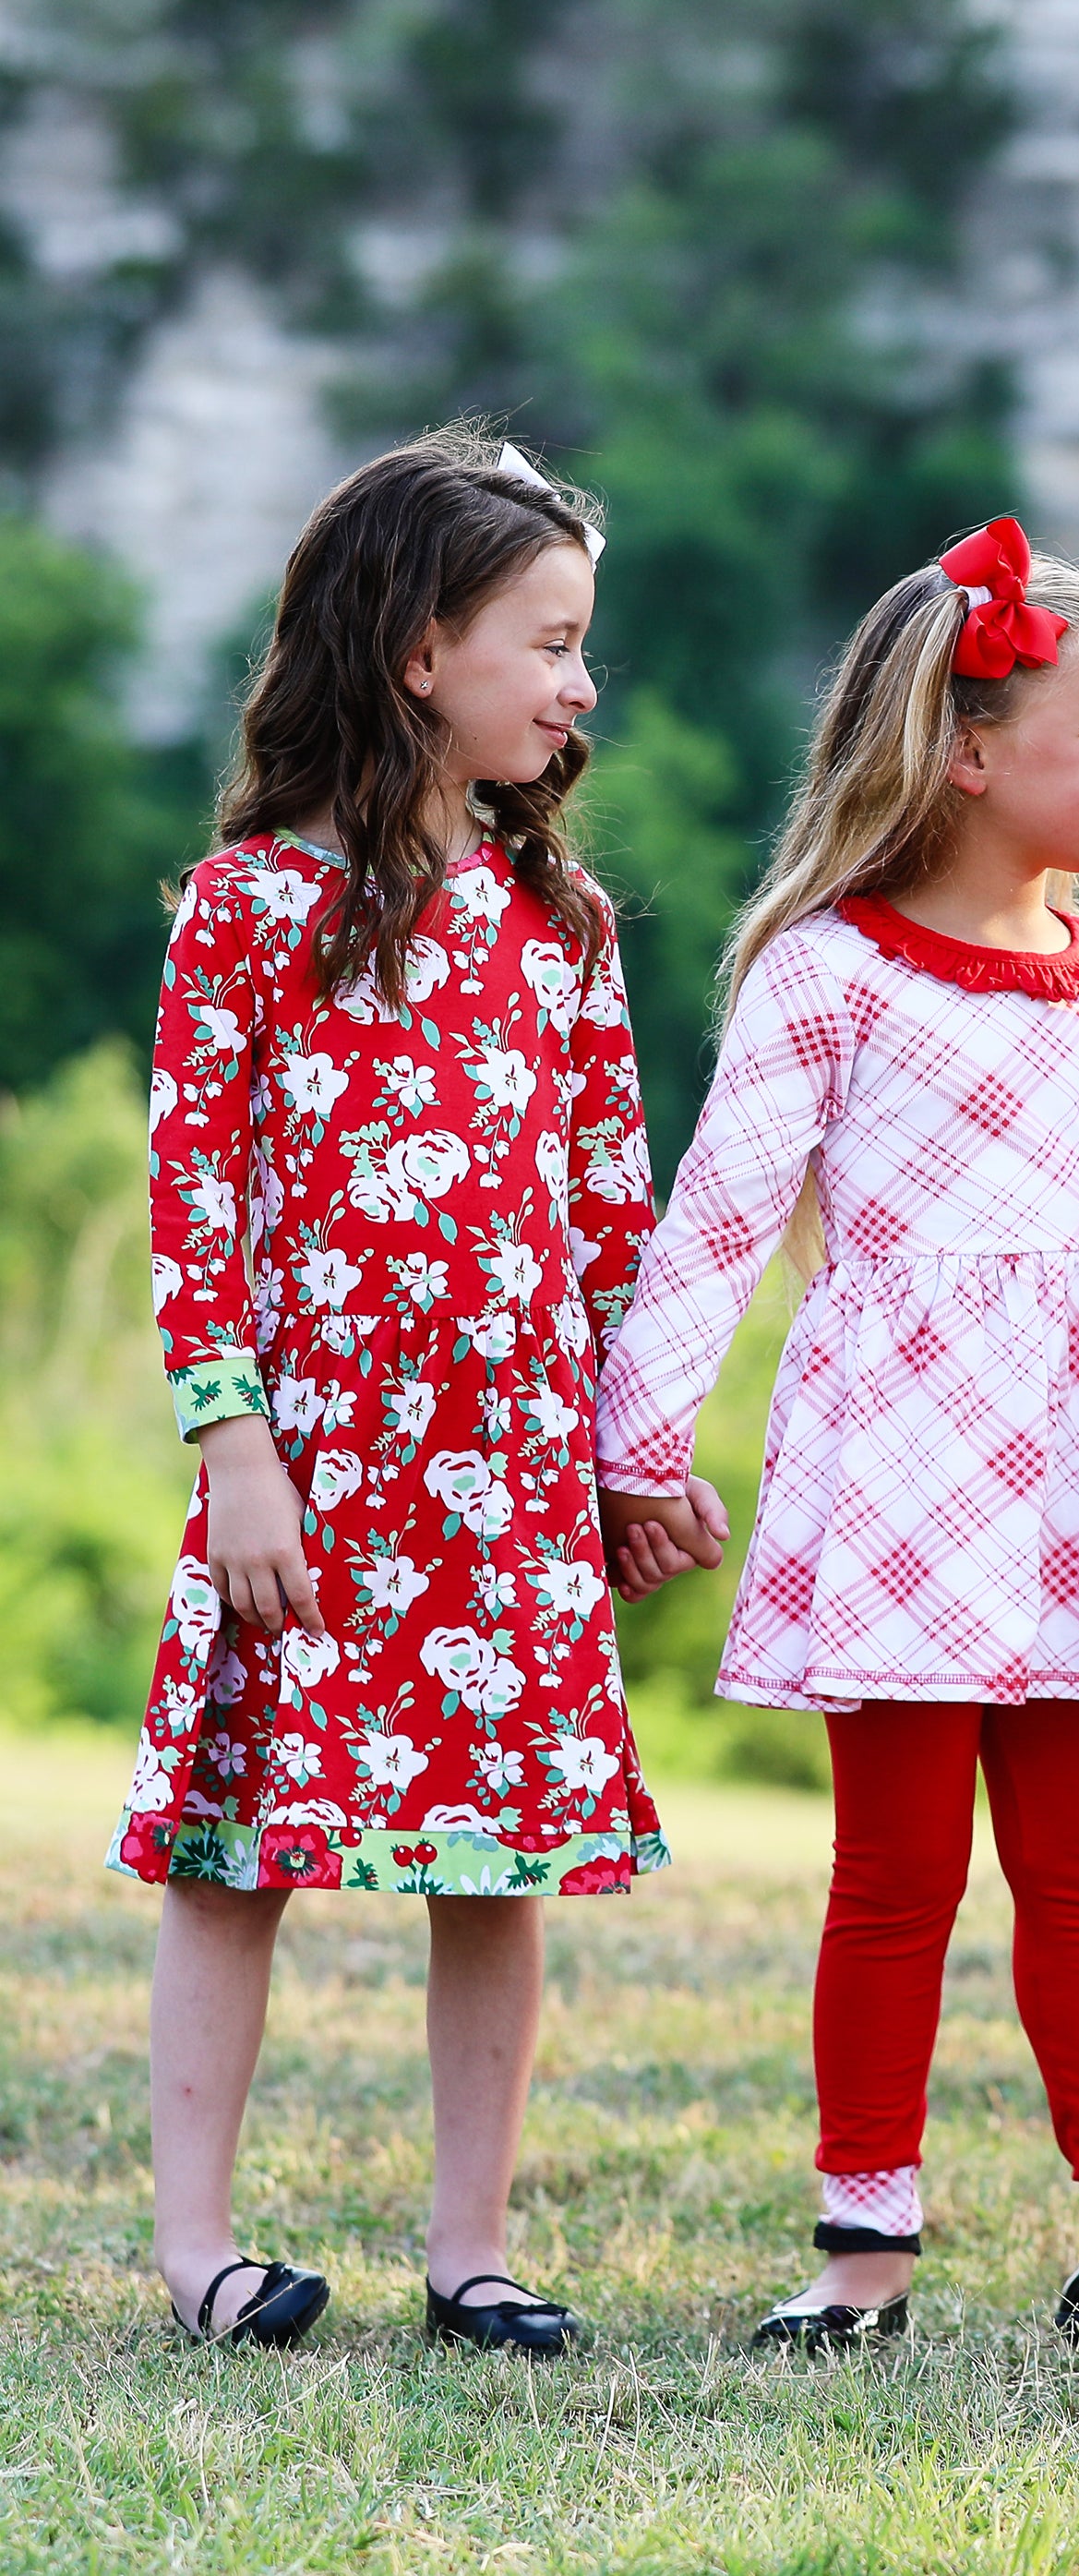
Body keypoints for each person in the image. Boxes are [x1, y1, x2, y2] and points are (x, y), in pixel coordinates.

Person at [594, 520, 1079, 2360]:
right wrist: (641, 1442)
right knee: (895, 1880)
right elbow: (721, 1223)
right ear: (971, 750)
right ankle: (865, 2251)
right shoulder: (832, 976)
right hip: (902, 1480)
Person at [120, 427, 708, 2355]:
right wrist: (235, 1449)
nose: (580, 682)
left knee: (500, 1864)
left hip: (508, 1468)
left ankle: (474, 2252)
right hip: (311, 1470)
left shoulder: (569, 933)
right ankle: (197, 2248)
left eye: (583, 644)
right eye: (547, 639)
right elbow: (195, 1200)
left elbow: (611, 1223)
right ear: (414, 652)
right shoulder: (246, 910)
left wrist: (634, 1458)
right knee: (234, 1853)